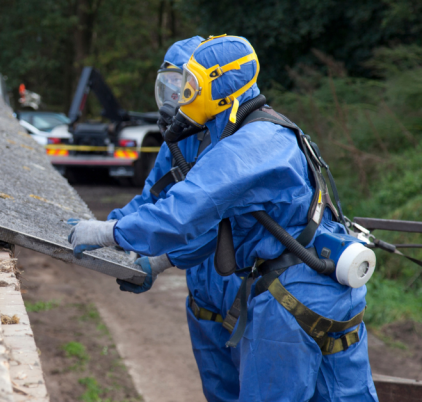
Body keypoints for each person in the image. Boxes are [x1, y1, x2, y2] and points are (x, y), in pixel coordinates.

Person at [68, 35, 378, 402]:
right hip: (324, 292)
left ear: (217, 89)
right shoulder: (256, 131)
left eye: (189, 87)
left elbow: (185, 216)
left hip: (288, 301)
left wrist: (109, 232)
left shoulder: (248, 144)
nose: (181, 98)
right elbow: (163, 199)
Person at [108, 36, 243, 402]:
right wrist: (107, 229)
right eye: (168, 87)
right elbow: (152, 198)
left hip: (244, 292)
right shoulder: (178, 141)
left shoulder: (238, 142)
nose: (174, 100)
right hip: (203, 298)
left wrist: (160, 260)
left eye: (183, 88)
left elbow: (218, 224)